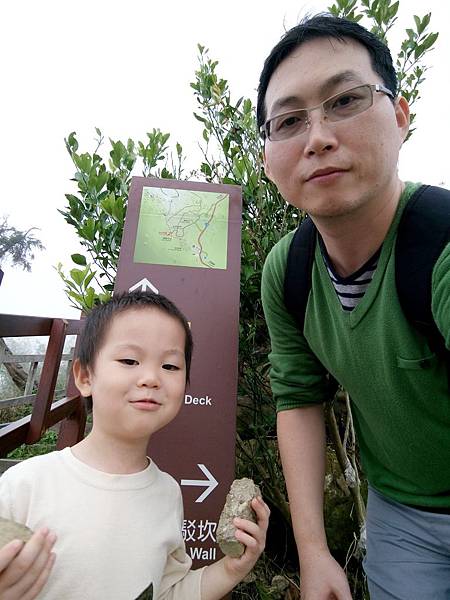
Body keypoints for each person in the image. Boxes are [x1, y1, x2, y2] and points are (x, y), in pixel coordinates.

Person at [258, 13, 450, 600]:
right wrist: (313, 552)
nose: (316, 137)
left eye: (344, 100)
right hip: (402, 517)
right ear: (268, 156)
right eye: (289, 120)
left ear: (400, 115)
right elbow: (298, 397)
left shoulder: (441, 248)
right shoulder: (287, 272)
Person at [0, 291, 270, 599]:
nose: (151, 378)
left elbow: (166, 591)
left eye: (170, 366)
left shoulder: (167, 494)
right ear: (85, 376)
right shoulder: (24, 485)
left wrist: (232, 569)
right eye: (129, 360)